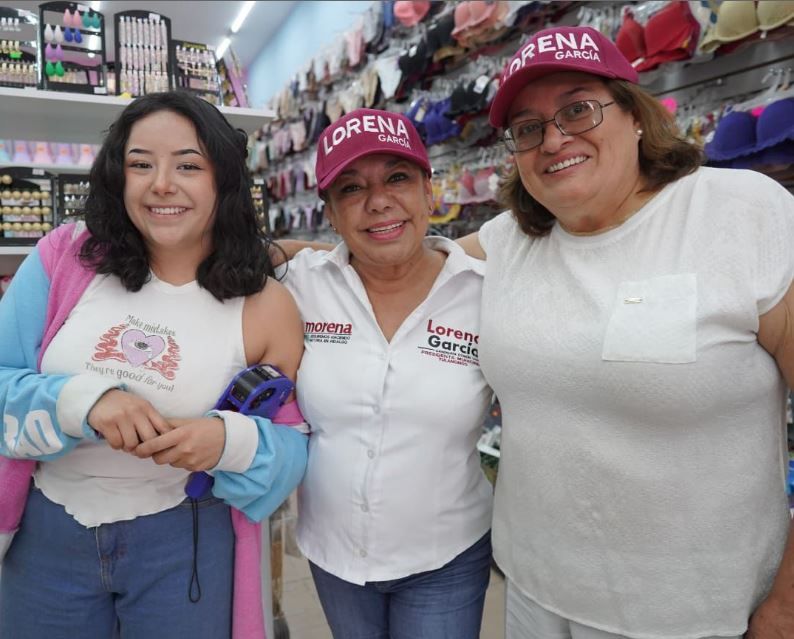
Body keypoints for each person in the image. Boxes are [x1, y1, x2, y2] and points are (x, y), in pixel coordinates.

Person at [454, 24, 794, 639]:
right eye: (528, 128)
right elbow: (401, 267)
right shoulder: (508, 242)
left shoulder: (742, 213)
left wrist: (788, 607)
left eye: (578, 109)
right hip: (534, 589)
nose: (554, 139)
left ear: (636, 114)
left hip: (696, 613)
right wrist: (286, 258)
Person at [0, 91, 308, 639]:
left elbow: (290, 446)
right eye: (141, 164)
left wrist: (227, 442)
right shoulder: (64, 260)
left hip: (187, 539)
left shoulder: (266, 304)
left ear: (224, 180)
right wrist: (81, 402)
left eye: (188, 165)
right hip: (49, 532)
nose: (161, 183)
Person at [279, 107, 494, 639]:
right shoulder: (298, 283)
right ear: (329, 211)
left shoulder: (485, 290)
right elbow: (217, 256)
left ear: (428, 189)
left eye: (397, 178)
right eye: (352, 188)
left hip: (445, 555)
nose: (378, 201)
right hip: (333, 554)